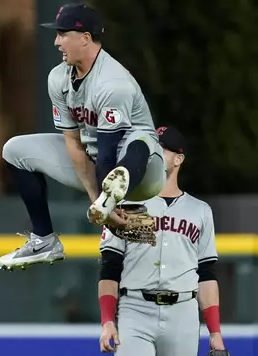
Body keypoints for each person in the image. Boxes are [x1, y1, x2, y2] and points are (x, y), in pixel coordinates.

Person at [0, 2, 165, 270]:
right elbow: (73, 143)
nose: (56, 42)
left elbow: (109, 153)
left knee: (139, 140)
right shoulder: (58, 78)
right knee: (15, 150)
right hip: (95, 162)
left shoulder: (113, 83)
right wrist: (97, 202)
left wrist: (105, 205)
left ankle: (112, 196)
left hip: (144, 170)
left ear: (86, 38)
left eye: (63, 34)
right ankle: (44, 240)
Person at [97, 126, 227, 355]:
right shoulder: (124, 205)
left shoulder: (200, 211)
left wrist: (215, 332)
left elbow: (206, 273)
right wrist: (107, 320)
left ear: (178, 159)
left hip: (183, 313)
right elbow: (110, 266)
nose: (152, 155)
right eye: (149, 149)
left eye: (160, 149)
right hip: (134, 309)